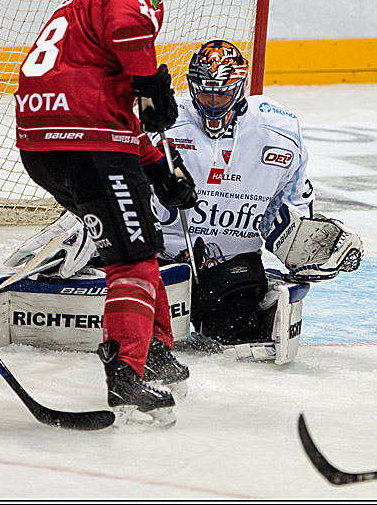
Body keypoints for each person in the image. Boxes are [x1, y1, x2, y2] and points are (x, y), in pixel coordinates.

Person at [14, 0, 197, 425]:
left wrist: (157, 169)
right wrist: (151, 82)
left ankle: (154, 348)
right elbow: (129, 25)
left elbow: (108, 109)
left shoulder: (76, 3)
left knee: (136, 243)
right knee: (134, 260)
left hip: (43, 146)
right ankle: (126, 373)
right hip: (87, 145)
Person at [149, 40, 362, 363]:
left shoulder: (280, 132)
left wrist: (304, 247)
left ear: (241, 88)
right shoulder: (164, 125)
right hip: (160, 260)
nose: (213, 103)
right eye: (204, 92)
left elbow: (294, 205)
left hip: (231, 266)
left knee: (239, 332)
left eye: (222, 93)